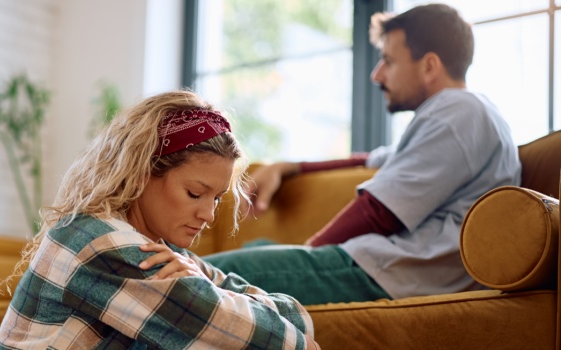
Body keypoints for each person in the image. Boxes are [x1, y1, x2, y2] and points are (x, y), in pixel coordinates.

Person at [204, 4, 521, 305]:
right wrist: (290, 166)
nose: (377, 75)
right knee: (258, 248)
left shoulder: (459, 112)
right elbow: (367, 160)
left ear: (429, 66)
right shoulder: (458, 118)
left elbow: (379, 211)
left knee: (205, 274)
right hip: (387, 269)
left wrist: (309, 254)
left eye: (389, 61)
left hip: (390, 274)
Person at [0, 91, 319, 349]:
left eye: (217, 198)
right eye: (195, 193)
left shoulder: (167, 253)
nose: (208, 215)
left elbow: (299, 317)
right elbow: (283, 342)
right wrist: (211, 295)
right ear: (141, 174)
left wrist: (204, 286)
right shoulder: (103, 244)